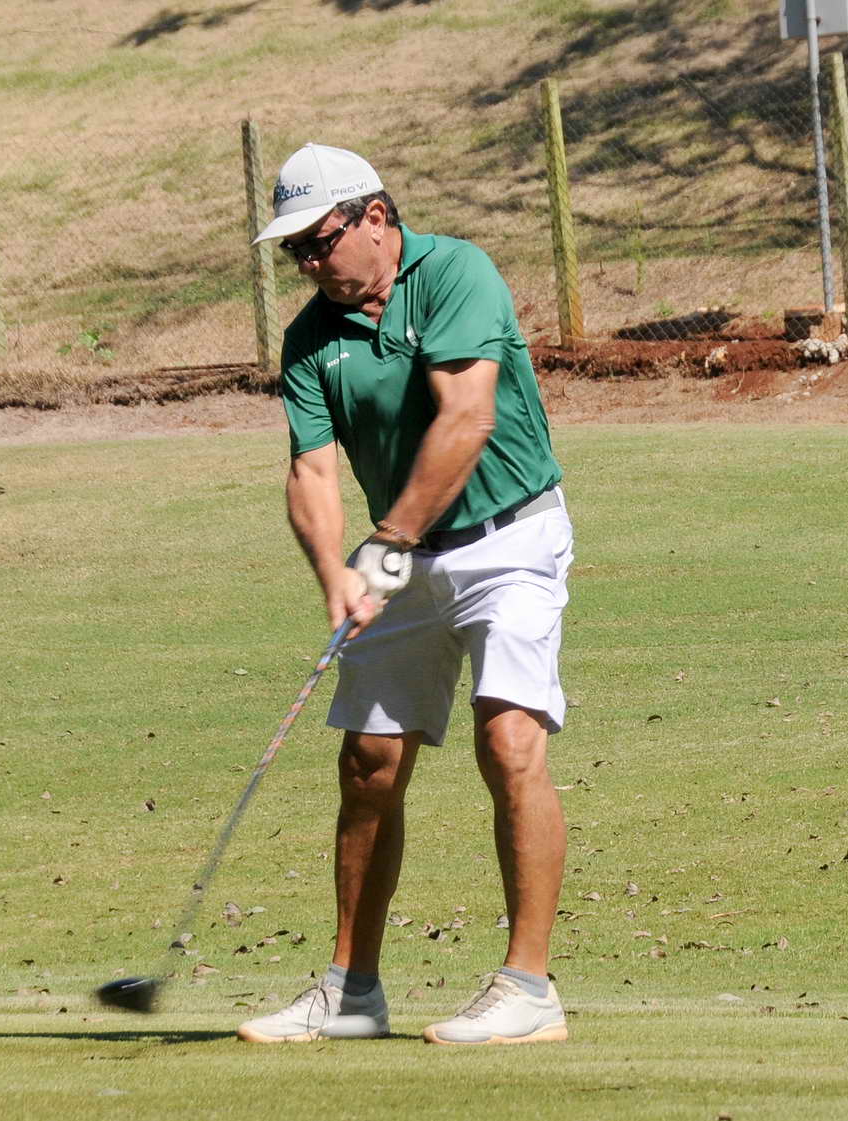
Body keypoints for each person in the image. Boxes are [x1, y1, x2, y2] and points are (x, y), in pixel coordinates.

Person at [235, 143, 573, 1046]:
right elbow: (311, 469)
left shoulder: (456, 272)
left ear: (376, 217)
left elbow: (467, 418)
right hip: (401, 556)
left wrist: (386, 541)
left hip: (509, 538)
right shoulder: (311, 338)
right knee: (368, 765)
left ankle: (529, 987)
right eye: (295, 252)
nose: (310, 264)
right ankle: (352, 991)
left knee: (509, 740)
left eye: (319, 242)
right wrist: (336, 576)